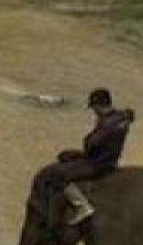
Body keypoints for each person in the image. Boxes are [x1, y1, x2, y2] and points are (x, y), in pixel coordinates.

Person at [35, 88, 135, 224]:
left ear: (99, 105)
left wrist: (87, 144)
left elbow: (92, 143)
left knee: (59, 176)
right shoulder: (119, 118)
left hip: (99, 163)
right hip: (106, 157)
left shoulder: (107, 124)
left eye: (94, 107)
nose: (94, 111)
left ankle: (81, 206)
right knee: (65, 155)